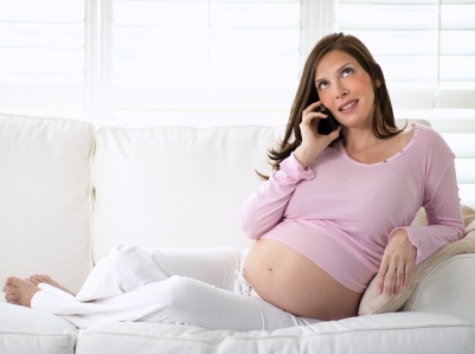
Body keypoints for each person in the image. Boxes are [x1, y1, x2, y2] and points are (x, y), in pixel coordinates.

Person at [3, 33, 464, 330]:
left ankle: (56, 307)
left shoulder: (423, 147)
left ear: (375, 78)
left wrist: (410, 235)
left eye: (347, 72)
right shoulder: (319, 148)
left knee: (176, 297)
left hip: (293, 314)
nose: (338, 90)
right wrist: (304, 153)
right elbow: (252, 222)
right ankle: (81, 303)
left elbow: (452, 225)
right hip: (239, 270)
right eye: (323, 84)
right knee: (126, 261)